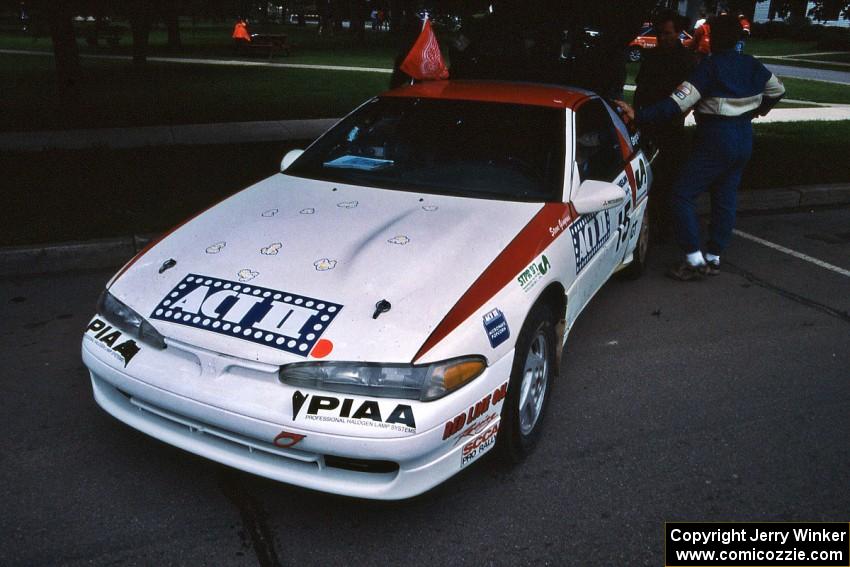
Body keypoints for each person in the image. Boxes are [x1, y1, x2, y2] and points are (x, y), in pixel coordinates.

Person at [616, 14, 785, 281]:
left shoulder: (709, 67)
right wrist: (758, 111)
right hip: (743, 137)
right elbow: (777, 90)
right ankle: (714, 256)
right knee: (725, 197)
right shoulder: (752, 64)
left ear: (713, 38)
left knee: (681, 195)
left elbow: (676, 104)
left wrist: (639, 115)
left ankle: (694, 259)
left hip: (716, 138)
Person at [634, 10, 695, 241]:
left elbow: (689, 98)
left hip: (671, 129)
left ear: (678, 33)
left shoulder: (687, 60)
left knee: (669, 179)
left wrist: (676, 116)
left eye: (668, 33)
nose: (663, 37)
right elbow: (641, 90)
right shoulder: (652, 57)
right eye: (660, 33)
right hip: (647, 124)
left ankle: (665, 228)